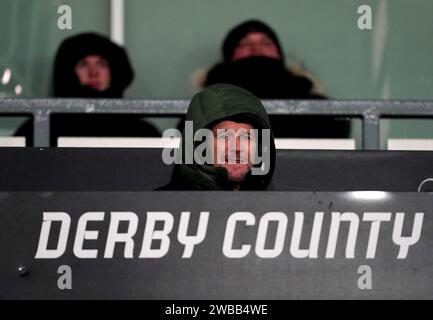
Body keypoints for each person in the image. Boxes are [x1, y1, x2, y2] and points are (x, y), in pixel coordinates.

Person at [203, 20, 350, 138]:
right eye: (244, 44)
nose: (256, 48)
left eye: (265, 43)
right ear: (230, 56)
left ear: (279, 55)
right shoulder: (206, 108)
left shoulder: (320, 110)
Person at [15, 32, 159, 145]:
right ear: (68, 72)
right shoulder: (40, 130)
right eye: (83, 64)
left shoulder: (142, 133)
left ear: (114, 71)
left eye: (101, 64)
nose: (93, 73)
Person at [157, 83, 276, 191]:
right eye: (224, 136)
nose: (236, 147)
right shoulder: (161, 208)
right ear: (200, 145)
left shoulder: (278, 209)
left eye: (246, 137)